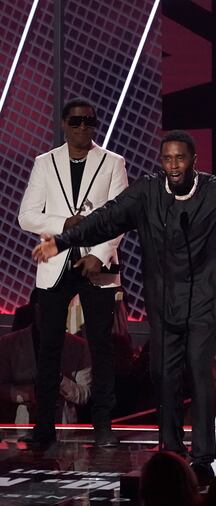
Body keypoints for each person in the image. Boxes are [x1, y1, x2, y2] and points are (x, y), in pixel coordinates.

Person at [31, 130, 216, 485]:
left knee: (198, 373)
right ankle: (171, 450)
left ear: (193, 160)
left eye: (179, 158)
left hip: (204, 302)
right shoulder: (147, 193)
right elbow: (105, 218)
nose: (173, 166)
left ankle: (201, 458)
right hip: (164, 302)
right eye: (167, 159)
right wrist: (61, 242)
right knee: (163, 377)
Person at [18, 97, 127, 448]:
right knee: (48, 347)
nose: (83, 127)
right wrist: (64, 223)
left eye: (89, 122)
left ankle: (103, 426)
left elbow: (119, 216)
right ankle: (44, 428)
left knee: (101, 347)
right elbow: (27, 216)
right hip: (56, 263)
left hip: (98, 265)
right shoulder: (45, 163)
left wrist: (98, 254)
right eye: (77, 121)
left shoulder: (112, 162)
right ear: (64, 123)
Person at [0, 296, 91, 425]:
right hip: (24, 426)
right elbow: (1, 386)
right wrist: (31, 393)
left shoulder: (79, 347)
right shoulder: (9, 343)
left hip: (63, 429)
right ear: (36, 309)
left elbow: (85, 394)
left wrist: (59, 380)